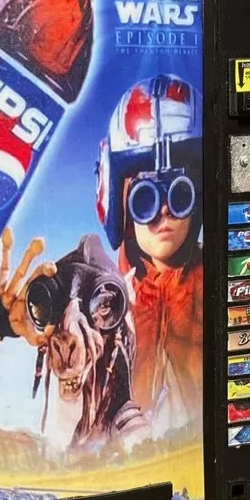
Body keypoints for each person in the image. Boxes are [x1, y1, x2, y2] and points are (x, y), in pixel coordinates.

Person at [94, 74, 204, 435]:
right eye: (144, 198)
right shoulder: (102, 302)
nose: (164, 213)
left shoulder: (221, 285)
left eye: (180, 194)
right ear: (118, 199)